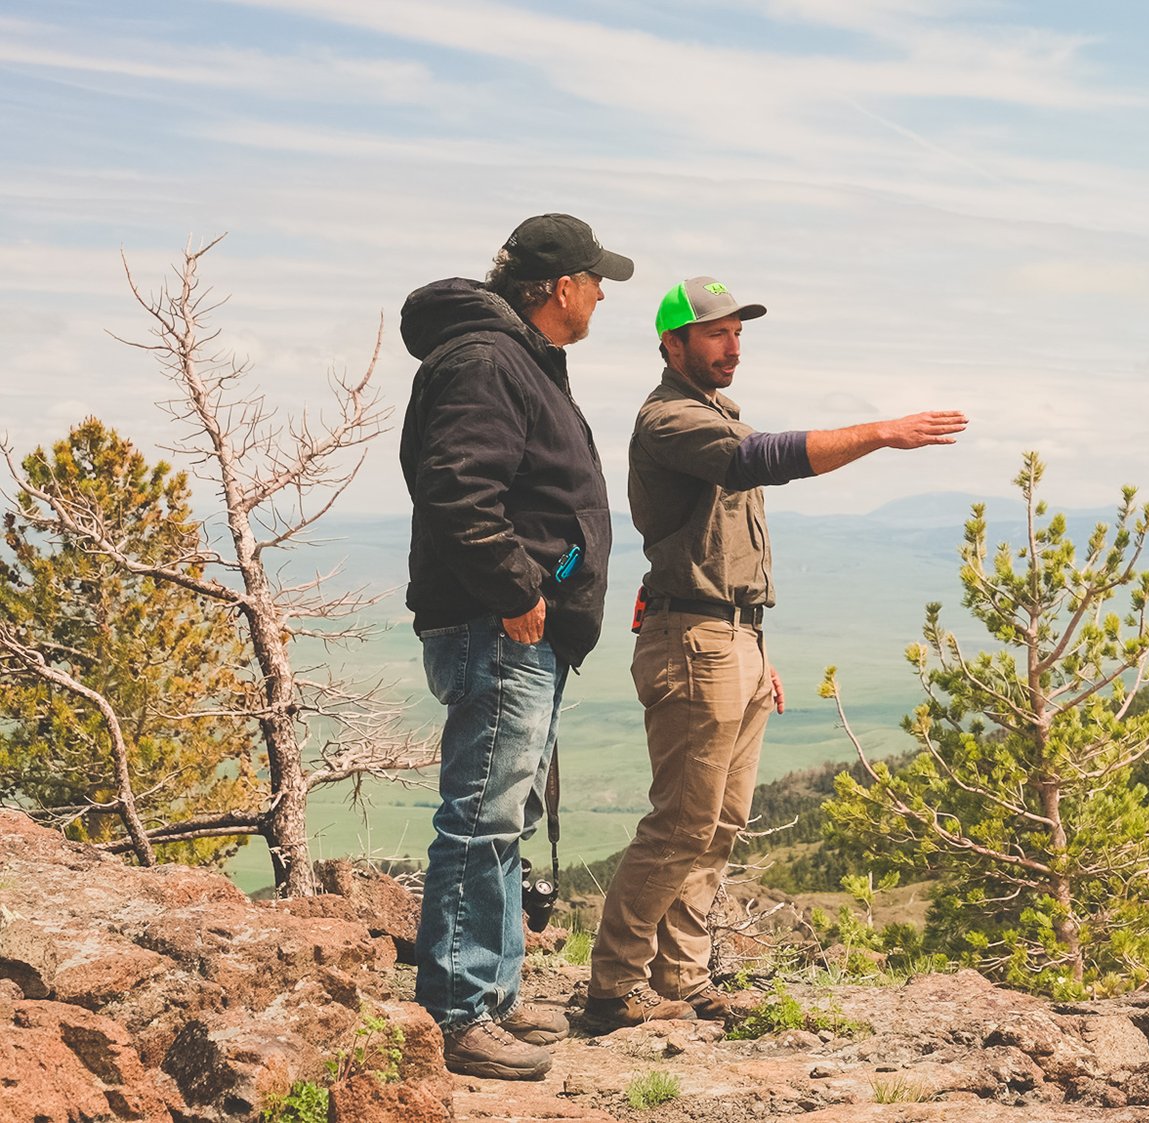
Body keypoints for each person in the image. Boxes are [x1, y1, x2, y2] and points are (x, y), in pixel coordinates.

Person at [580, 276, 967, 1029]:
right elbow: (764, 459)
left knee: (721, 822)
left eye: (738, 332)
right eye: (716, 332)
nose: (733, 345)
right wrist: (881, 432)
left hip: (733, 639)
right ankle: (611, 986)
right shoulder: (671, 420)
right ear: (673, 343)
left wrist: (754, 646)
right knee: (682, 822)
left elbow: (728, 545)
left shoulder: (717, 416)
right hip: (694, 641)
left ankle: (681, 978)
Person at [399, 213, 633, 1079]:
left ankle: (489, 994)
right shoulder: (487, 360)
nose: (603, 293)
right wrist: (520, 588)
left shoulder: (510, 358)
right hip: (500, 627)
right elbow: (458, 488)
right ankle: (458, 1013)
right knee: (481, 815)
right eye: (595, 279)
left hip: (516, 628)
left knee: (505, 817)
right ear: (559, 287)